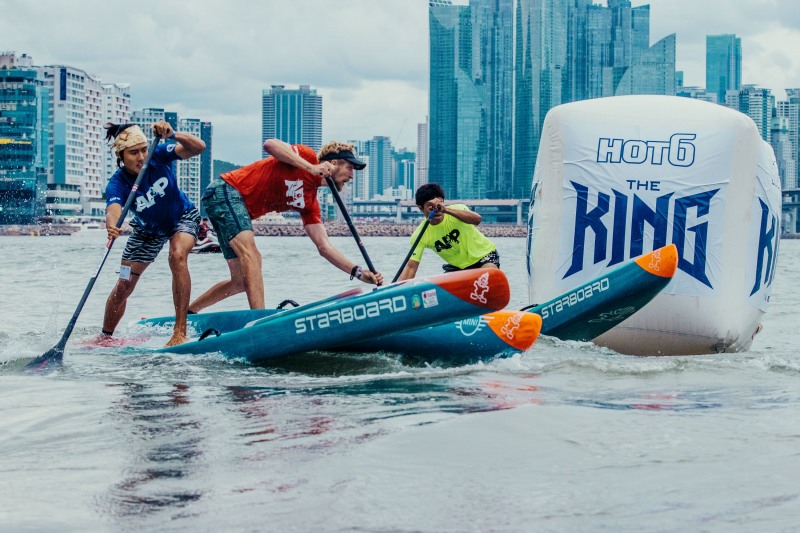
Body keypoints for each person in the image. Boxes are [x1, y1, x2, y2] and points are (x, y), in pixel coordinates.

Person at [188, 138, 383, 312]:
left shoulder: (310, 204)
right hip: (226, 190)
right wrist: (311, 168)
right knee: (253, 257)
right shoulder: (306, 156)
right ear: (333, 163)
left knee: (241, 281)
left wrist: (359, 273)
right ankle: (259, 321)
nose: (352, 175)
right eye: (350, 168)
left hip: (229, 206)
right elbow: (270, 144)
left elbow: (325, 247)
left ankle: (190, 313)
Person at [100, 121, 206, 346]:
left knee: (177, 256)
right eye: (133, 153)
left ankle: (180, 332)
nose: (141, 157)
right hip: (147, 230)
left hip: (183, 217)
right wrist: (112, 225)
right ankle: (105, 336)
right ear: (120, 155)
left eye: (143, 150)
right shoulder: (117, 183)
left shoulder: (158, 154)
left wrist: (173, 134)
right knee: (124, 283)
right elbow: (114, 209)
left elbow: (199, 147)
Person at [396, 183, 500, 281]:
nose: (436, 211)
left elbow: (477, 220)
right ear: (421, 208)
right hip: (459, 267)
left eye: (439, 205)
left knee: (488, 274)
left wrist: (446, 210)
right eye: (431, 207)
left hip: (484, 257)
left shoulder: (458, 209)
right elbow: (411, 267)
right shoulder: (419, 235)